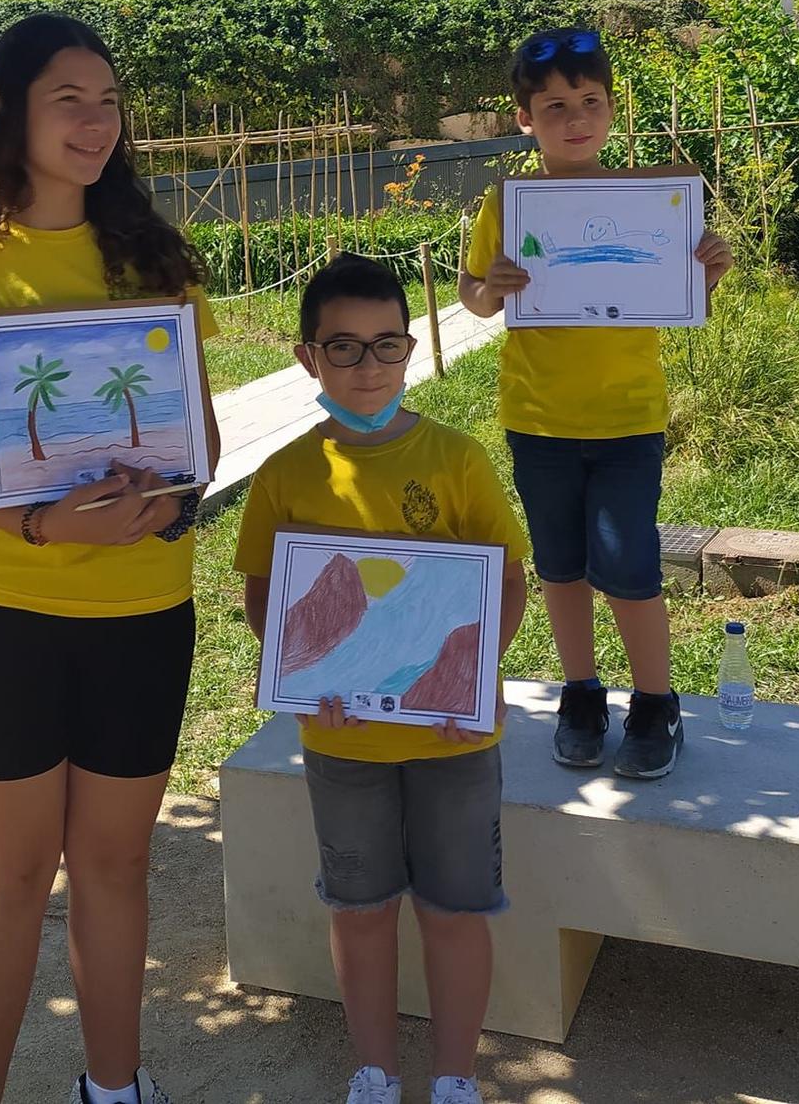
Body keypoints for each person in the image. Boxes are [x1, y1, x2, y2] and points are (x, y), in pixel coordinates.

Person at [0, 13, 219, 1104]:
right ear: (12, 113)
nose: (93, 122)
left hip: (142, 613)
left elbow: (201, 445)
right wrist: (39, 525)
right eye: (66, 100)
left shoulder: (158, 258)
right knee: (14, 877)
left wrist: (166, 494)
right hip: (2, 617)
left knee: (119, 868)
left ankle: (112, 1090)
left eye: (108, 101)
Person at [235, 253, 529, 1104]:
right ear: (307, 358)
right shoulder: (286, 475)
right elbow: (268, 600)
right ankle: (372, 1071)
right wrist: (301, 675)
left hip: (454, 735)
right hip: (342, 737)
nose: (369, 367)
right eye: (344, 348)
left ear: (412, 347)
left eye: (386, 345)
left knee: (455, 909)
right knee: (359, 908)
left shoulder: (458, 458)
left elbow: (505, 579)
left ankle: (454, 1079)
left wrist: (470, 676)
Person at [459, 27, 733, 779]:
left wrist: (707, 268)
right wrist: (490, 289)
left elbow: (679, 293)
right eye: (554, 107)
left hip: (627, 420)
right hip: (537, 419)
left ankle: (655, 703)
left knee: (631, 565)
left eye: (590, 102)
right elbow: (472, 296)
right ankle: (582, 694)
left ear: (612, 110)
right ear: (525, 119)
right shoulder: (505, 206)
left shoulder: (651, 203)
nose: (575, 118)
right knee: (560, 566)